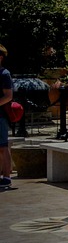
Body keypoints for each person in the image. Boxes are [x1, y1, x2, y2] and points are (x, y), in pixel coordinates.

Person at [0, 44, 13, 187]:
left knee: (3, 146)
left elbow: (8, 96)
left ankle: (7, 177)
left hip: (1, 116)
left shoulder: (4, 74)